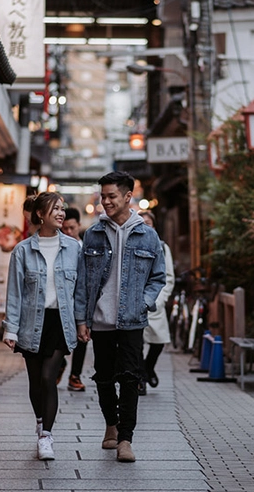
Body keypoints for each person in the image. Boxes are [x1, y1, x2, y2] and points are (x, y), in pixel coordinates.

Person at [74, 171, 166, 463]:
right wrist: (82, 319)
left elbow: (158, 277)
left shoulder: (148, 235)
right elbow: (82, 281)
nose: (106, 202)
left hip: (132, 320)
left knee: (129, 378)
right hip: (100, 319)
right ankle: (111, 424)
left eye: (111, 196)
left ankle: (125, 439)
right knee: (103, 378)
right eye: (103, 196)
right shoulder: (93, 233)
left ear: (128, 196)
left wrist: (143, 303)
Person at [2, 192, 80, 461]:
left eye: (62, 208)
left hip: (60, 321)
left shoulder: (74, 248)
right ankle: (40, 420)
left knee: (48, 377)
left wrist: (83, 323)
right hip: (31, 322)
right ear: (39, 214)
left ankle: (46, 436)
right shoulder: (23, 250)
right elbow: (15, 293)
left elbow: (80, 291)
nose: (61, 213)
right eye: (55, 208)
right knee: (35, 381)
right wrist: (11, 328)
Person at [137, 210, 175, 396]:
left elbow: (168, 276)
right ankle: (140, 379)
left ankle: (148, 367)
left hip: (155, 303)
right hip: (136, 304)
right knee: (136, 344)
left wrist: (160, 299)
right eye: (141, 222)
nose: (145, 226)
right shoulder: (131, 244)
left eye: (148, 223)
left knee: (158, 342)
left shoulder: (161, 246)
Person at [59, 207, 88, 392]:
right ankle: (59, 364)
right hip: (63, 299)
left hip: (82, 299)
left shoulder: (86, 247)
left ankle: (75, 375)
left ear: (79, 225)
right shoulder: (59, 247)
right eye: (65, 228)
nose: (68, 232)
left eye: (72, 228)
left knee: (82, 337)